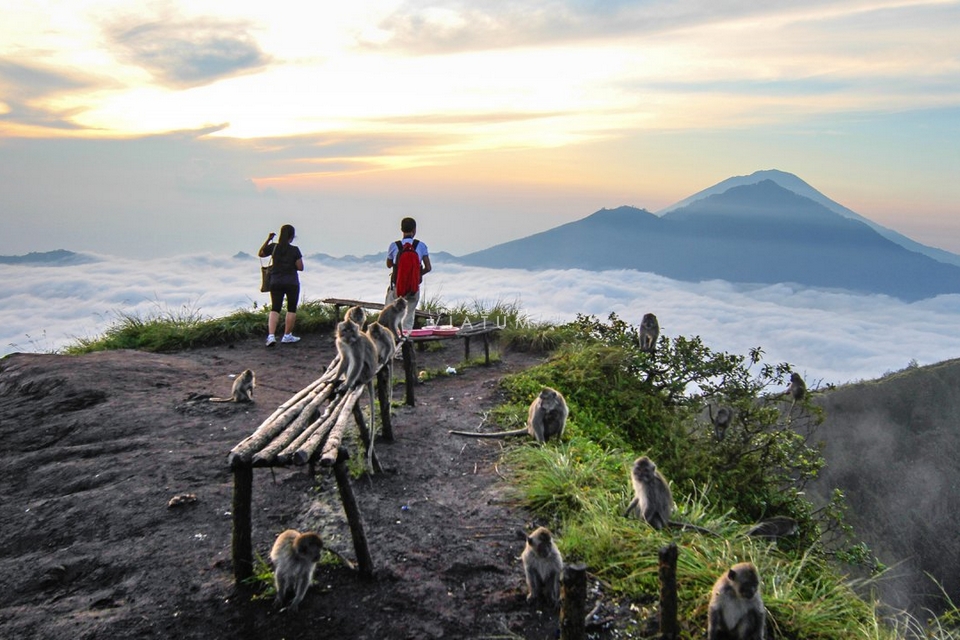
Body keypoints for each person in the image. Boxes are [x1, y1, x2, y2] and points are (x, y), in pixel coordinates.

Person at [259, 224, 304, 346]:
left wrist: (268, 239)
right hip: (291, 282)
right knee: (291, 308)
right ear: (292, 236)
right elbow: (300, 267)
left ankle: (271, 336)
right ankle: (287, 335)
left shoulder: (274, 247)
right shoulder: (295, 250)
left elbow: (261, 253)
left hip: (276, 281)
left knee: (275, 308)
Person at [385, 217, 431, 333]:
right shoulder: (421, 246)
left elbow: (389, 265)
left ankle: (392, 344)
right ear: (414, 230)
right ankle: (405, 345)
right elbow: (428, 267)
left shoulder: (394, 246)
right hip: (413, 289)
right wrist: (415, 275)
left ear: (401, 229)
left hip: (396, 287)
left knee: (391, 318)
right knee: (408, 318)